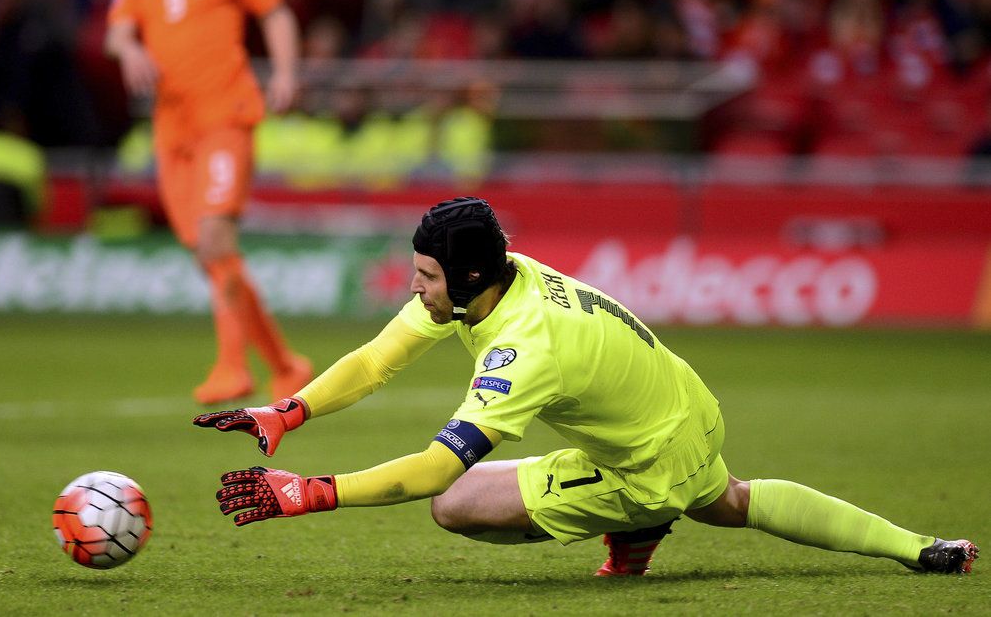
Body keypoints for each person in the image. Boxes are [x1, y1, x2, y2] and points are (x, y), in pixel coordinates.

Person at [194, 197, 978, 576]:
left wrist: (313, 492)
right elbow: (378, 358)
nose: (414, 286)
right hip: (685, 408)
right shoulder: (503, 275)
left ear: (467, 276)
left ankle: (638, 517)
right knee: (731, 501)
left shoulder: (524, 347)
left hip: (648, 459)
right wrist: (290, 411)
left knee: (451, 506)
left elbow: (438, 469)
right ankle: (919, 549)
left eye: (426, 276)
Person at [105, 0, 312, 404]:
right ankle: (287, 364)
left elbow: (276, 13)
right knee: (205, 250)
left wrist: (287, 71)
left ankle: (231, 367)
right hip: (172, 132)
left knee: (217, 239)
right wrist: (129, 51)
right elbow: (118, 34)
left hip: (227, 116)